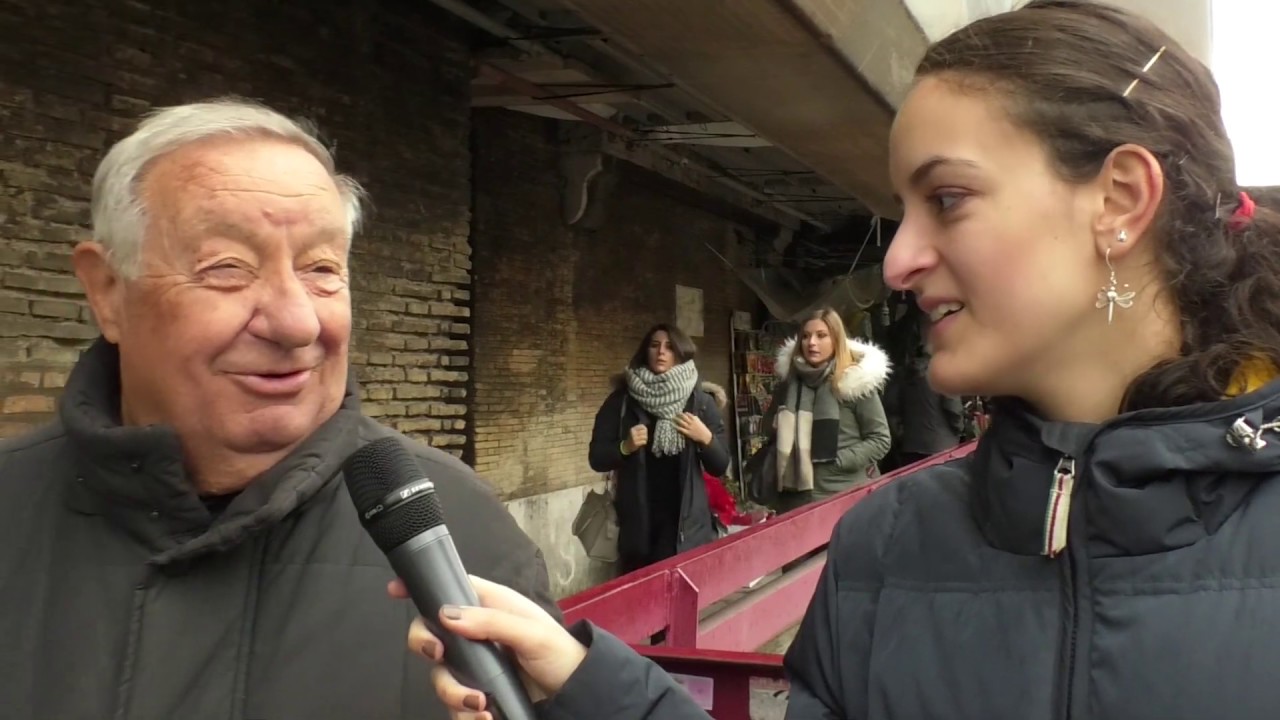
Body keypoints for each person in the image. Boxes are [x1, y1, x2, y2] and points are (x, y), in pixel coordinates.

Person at [402, 2, 1280, 718]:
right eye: (903, 209)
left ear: (1121, 199)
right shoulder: (890, 544)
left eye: (948, 198)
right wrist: (585, 683)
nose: (898, 262)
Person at [0, 97, 556, 720]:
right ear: (107, 293)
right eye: (228, 268)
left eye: (322, 269)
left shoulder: (465, 533)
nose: (296, 322)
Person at [587, 324, 730, 573]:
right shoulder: (622, 401)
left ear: (681, 353)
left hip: (685, 528)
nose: (661, 352)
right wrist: (625, 447)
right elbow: (597, 457)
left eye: (669, 347)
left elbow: (720, 465)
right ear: (645, 351)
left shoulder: (700, 402)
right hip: (637, 527)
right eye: (654, 345)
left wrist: (705, 437)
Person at [765, 306, 892, 512]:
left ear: (836, 340)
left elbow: (880, 440)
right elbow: (768, 430)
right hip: (793, 499)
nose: (811, 342)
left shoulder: (854, 383)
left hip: (843, 494)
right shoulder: (788, 384)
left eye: (821, 335)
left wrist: (836, 463)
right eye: (805, 336)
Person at [895, 344, 965, 465]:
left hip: (910, 446)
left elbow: (893, 407)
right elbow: (953, 408)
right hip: (941, 447)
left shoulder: (905, 375)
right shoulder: (943, 372)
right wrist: (960, 428)